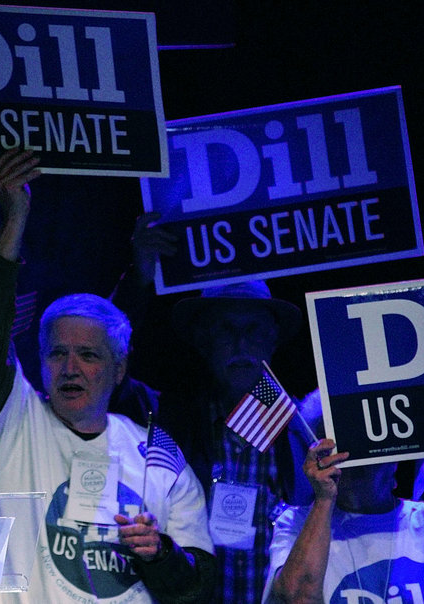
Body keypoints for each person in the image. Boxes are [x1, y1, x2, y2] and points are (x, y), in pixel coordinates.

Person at [0, 148, 216, 603]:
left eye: (88, 355)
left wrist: (159, 554)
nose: (70, 367)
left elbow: (201, 588)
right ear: (39, 362)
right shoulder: (14, 425)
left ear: (119, 370)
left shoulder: (157, 453)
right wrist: (14, 220)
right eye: (57, 353)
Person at [111, 214, 312, 603]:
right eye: (225, 329)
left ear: (273, 340)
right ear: (203, 341)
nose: (240, 344)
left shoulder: (300, 431)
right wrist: (139, 275)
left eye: (253, 330)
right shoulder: (169, 419)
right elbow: (107, 370)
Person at [263, 390, 424, 603]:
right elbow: (297, 597)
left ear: (393, 458)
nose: (347, 460)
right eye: (333, 448)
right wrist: (324, 499)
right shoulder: (296, 523)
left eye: (361, 444)